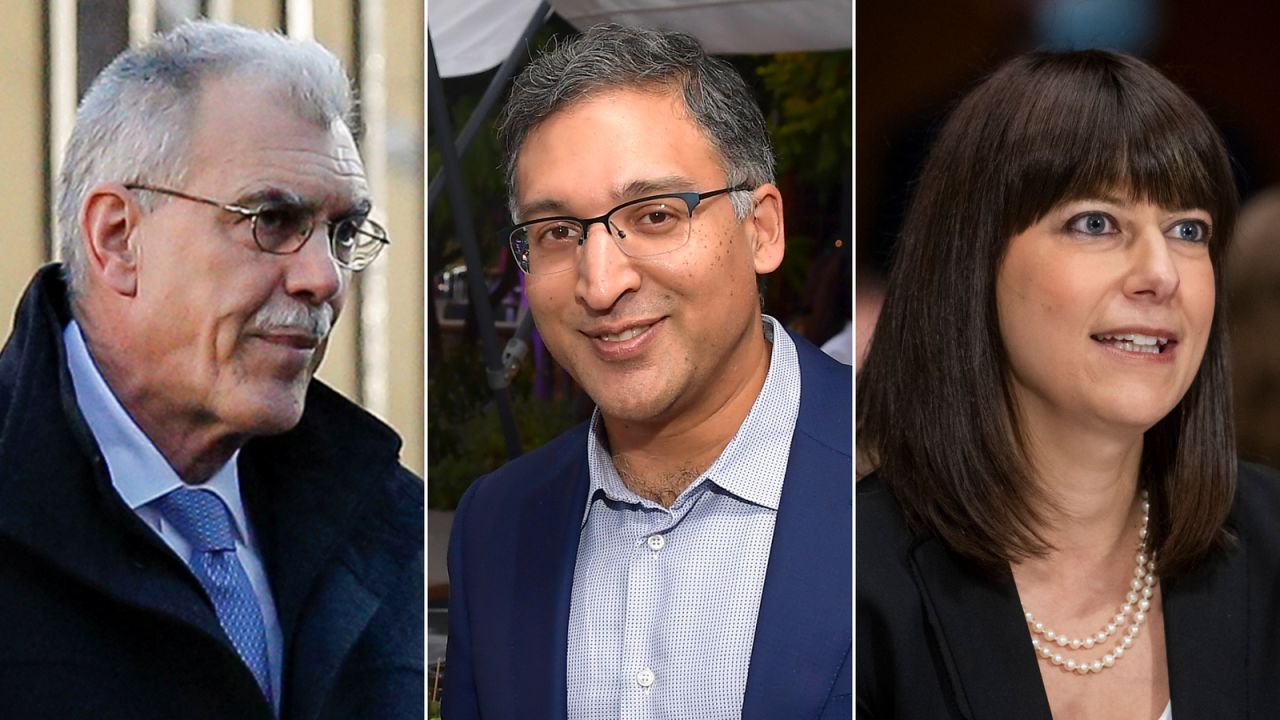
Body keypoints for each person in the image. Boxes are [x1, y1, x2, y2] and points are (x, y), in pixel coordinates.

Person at [0, 21, 422, 719]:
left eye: (342, 234)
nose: (323, 278)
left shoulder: (387, 524)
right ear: (117, 239)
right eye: (271, 220)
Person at [444, 24, 852, 719]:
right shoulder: (497, 523)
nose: (600, 284)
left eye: (657, 215)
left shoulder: (908, 468)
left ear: (762, 230)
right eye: (558, 233)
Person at [857, 50, 1280, 719]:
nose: (1160, 272)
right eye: (1096, 223)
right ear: (974, 261)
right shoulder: (853, 579)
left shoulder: (1269, 538)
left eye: (1188, 230)